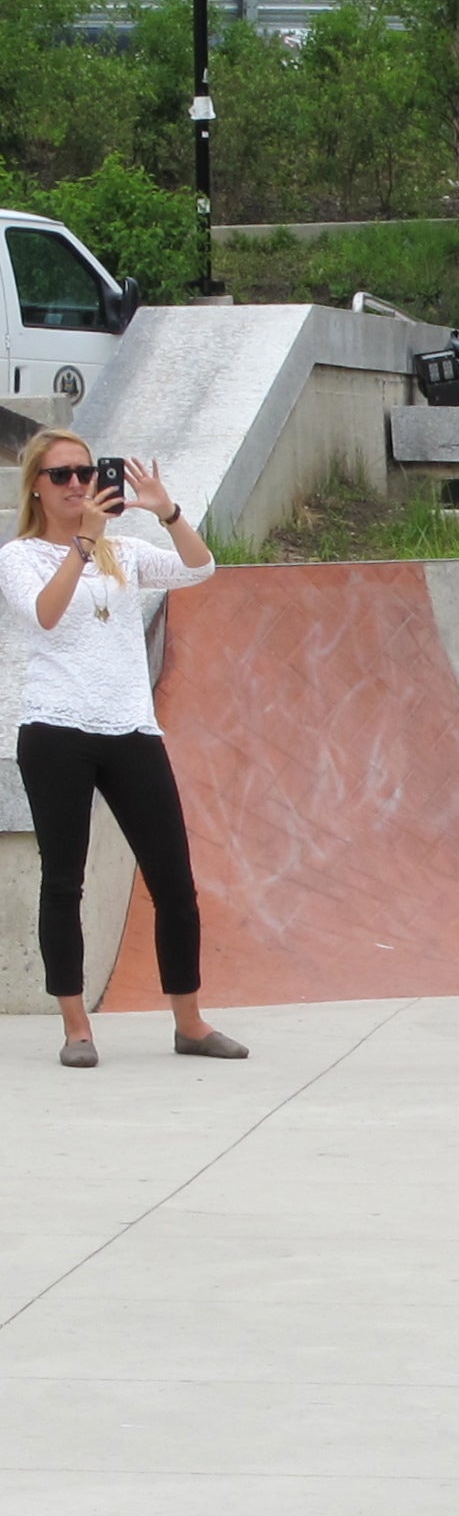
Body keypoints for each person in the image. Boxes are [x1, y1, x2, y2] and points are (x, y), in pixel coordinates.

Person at [3, 434, 245, 1067]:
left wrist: (166, 512)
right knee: (64, 880)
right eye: (62, 475)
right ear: (36, 485)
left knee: (174, 880)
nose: (78, 483)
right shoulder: (21, 556)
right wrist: (82, 543)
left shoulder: (125, 552)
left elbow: (200, 567)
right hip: (56, 730)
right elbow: (44, 617)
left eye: (86, 471)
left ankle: (189, 1023)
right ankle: (76, 1027)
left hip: (131, 728)